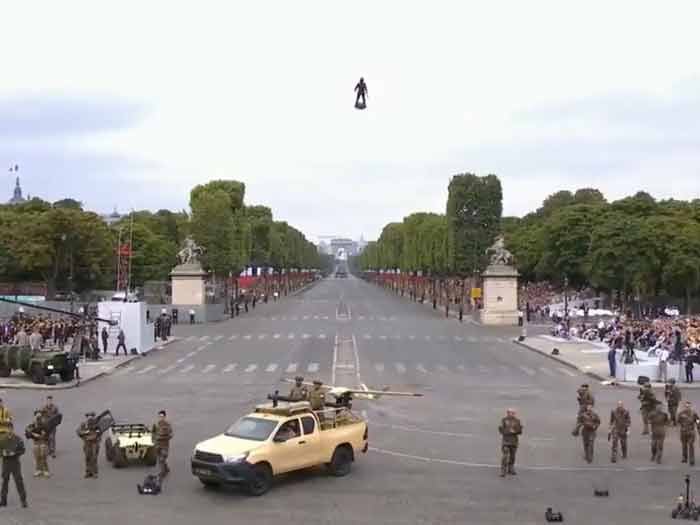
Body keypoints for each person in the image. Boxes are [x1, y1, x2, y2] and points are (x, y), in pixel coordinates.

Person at [0, 423, 27, 508]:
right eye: (8, 429)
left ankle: (23, 500)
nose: (9, 430)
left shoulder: (18, 439)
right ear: (6, 429)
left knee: (19, 481)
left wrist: (15, 453)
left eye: (10, 429)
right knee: (5, 482)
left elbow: (23, 450)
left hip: (15, 462)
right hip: (6, 463)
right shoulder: (2, 440)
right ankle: (3, 501)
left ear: (13, 429)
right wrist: (2, 453)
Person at [25, 410, 50, 478]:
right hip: (35, 443)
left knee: (43, 456)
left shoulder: (45, 424)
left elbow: (47, 433)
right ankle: (38, 469)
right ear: (34, 417)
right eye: (37, 416)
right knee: (37, 456)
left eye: (40, 416)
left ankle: (46, 470)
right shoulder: (32, 425)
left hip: (43, 442)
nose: (38, 417)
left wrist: (42, 435)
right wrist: (33, 434)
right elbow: (27, 433)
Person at [77, 412, 102, 478]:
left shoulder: (96, 424)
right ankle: (88, 472)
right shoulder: (84, 424)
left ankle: (94, 472)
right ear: (87, 417)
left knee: (94, 458)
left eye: (92, 416)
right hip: (87, 443)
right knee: (87, 457)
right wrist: (85, 433)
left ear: (93, 417)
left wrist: (97, 437)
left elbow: (100, 431)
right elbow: (78, 431)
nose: (90, 418)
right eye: (89, 416)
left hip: (94, 443)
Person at [498, 408, 523, 477]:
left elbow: (520, 431)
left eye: (513, 413)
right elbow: (500, 430)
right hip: (506, 441)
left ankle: (511, 468)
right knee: (505, 456)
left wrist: (515, 431)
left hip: (514, 441)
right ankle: (503, 470)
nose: (512, 414)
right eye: (510, 412)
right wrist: (508, 431)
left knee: (512, 456)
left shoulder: (517, 421)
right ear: (507, 413)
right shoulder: (504, 420)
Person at [677, 401, 700, 466]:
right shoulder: (681, 414)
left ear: (690, 406)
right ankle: (684, 457)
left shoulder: (694, 413)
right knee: (684, 445)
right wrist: (679, 428)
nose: (687, 408)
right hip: (683, 432)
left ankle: (692, 459)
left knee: (691, 445)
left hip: (691, 432)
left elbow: (698, 421)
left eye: (689, 406)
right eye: (686, 406)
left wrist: (698, 428)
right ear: (684, 407)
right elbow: (678, 421)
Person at [152, 410, 173, 478]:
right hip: (157, 444)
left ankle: (162, 472)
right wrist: (154, 439)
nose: (161, 418)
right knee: (159, 458)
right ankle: (166, 468)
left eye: (162, 416)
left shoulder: (168, 424)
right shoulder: (156, 424)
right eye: (160, 416)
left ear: (165, 416)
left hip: (164, 445)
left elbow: (171, 434)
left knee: (162, 458)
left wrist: (165, 437)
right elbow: (153, 432)